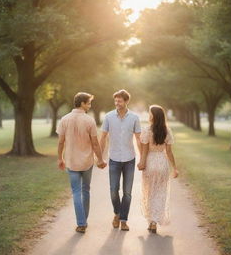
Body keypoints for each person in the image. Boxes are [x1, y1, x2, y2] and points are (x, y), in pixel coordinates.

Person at [57, 92, 107, 234]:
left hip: (72, 162)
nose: (90, 105)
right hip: (86, 162)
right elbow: (95, 144)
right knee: (85, 190)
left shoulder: (64, 119)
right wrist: (100, 160)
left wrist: (60, 158)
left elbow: (61, 142)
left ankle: (81, 223)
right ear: (82, 104)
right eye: (88, 103)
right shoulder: (89, 120)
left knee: (76, 192)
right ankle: (83, 221)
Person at [100, 89, 141, 231]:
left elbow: (138, 138)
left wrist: (143, 159)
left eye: (120, 100)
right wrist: (100, 157)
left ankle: (123, 220)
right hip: (114, 158)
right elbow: (103, 137)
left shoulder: (134, 118)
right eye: (115, 100)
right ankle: (117, 213)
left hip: (130, 159)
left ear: (126, 101)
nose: (117, 103)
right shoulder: (108, 117)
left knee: (127, 192)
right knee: (113, 190)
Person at [137, 105, 179, 234]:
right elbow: (169, 152)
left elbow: (144, 151)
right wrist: (175, 168)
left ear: (153, 116)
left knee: (150, 191)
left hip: (150, 162)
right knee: (160, 192)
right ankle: (155, 220)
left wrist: (141, 163)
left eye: (150, 113)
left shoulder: (146, 130)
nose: (149, 115)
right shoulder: (167, 130)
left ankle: (151, 221)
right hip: (162, 163)